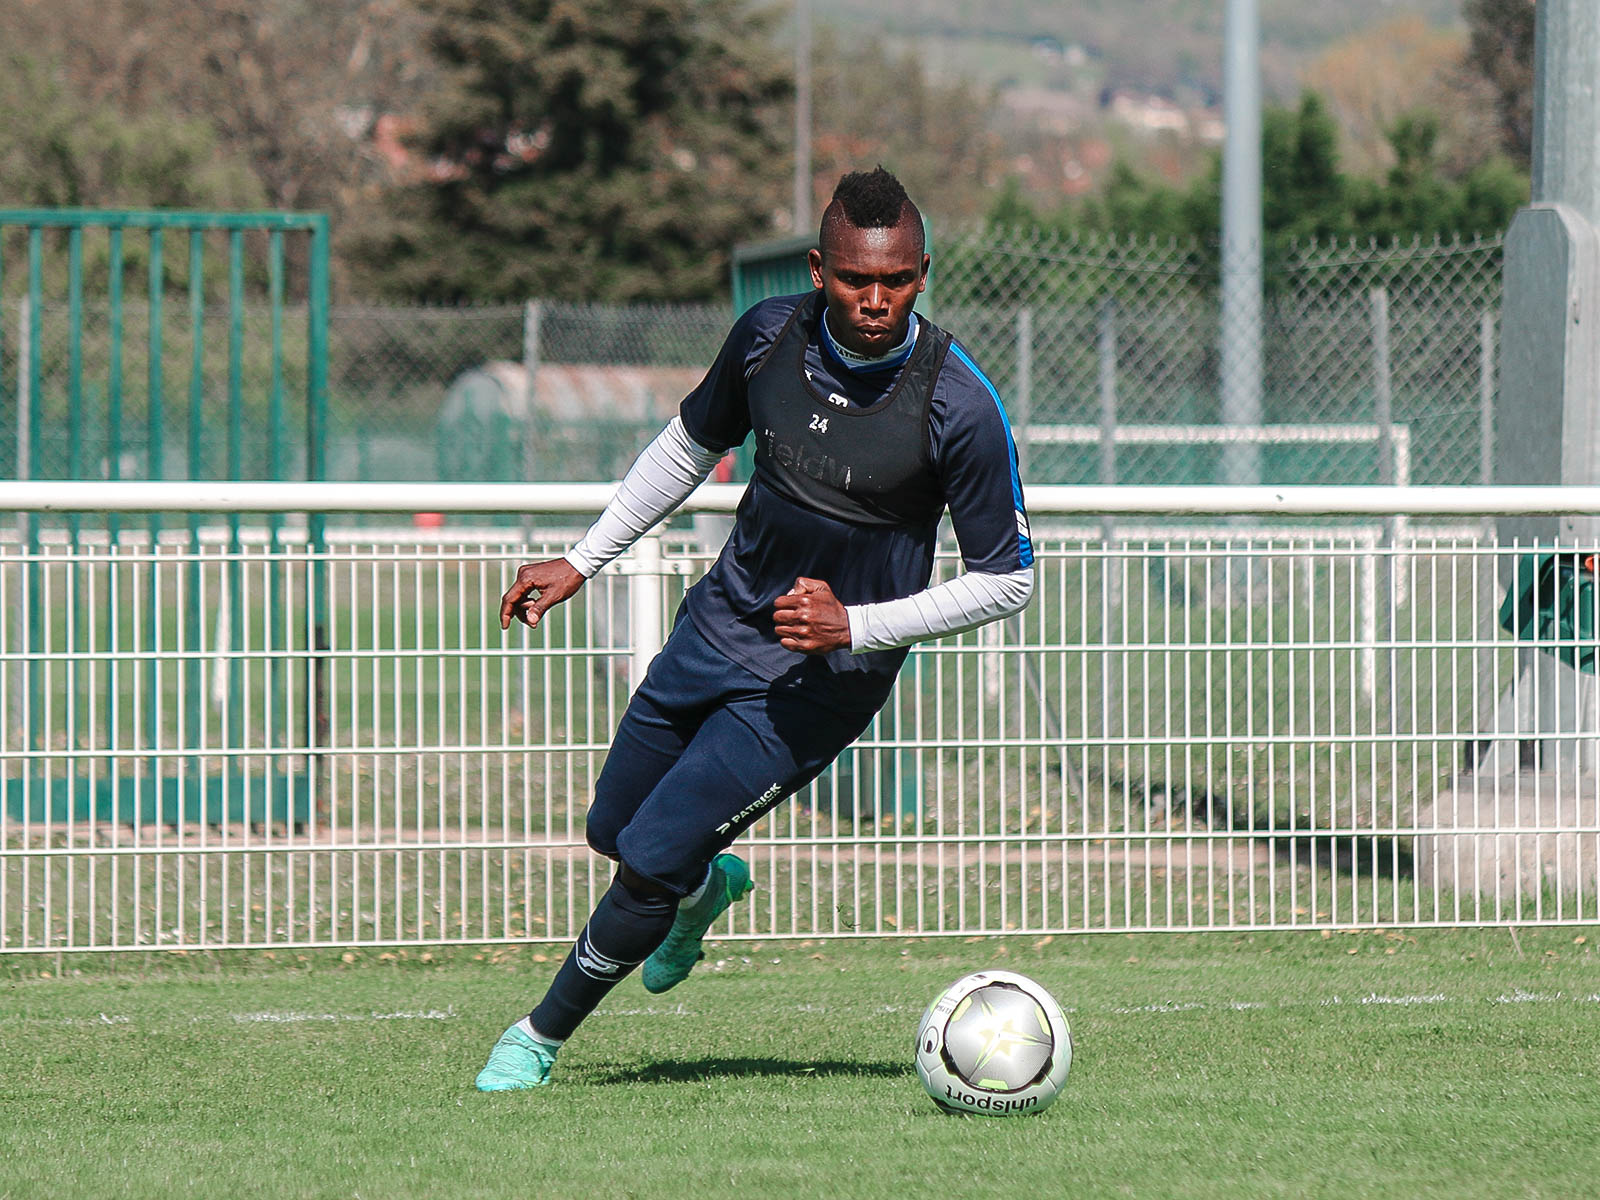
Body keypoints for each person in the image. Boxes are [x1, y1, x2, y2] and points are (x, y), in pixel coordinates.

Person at [475, 166, 1035, 1091]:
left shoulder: (959, 404)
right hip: (717, 625)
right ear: (820, 269)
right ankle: (705, 892)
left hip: (820, 683)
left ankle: (537, 1038)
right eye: (856, 279)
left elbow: (1007, 580)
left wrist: (856, 626)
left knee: (651, 858)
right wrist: (582, 559)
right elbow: (688, 447)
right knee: (614, 827)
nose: (876, 301)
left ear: (923, 274)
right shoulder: (768, 336)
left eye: (897, 281)